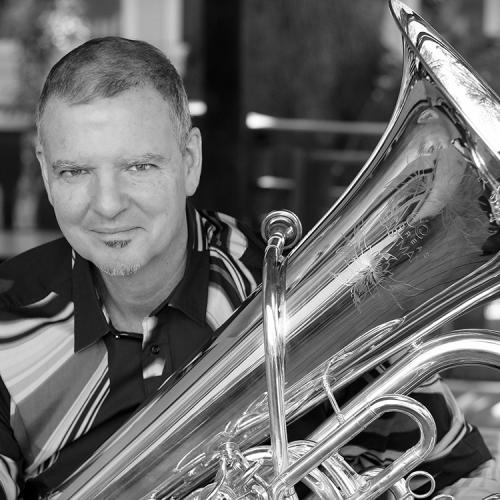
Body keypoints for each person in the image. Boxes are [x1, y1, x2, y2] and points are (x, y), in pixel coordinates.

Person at [0, 36, 493, 499]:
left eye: (139, 167)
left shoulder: (314, 299)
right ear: (45, 172)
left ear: (189, 161)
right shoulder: (8, 319)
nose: (107, 206)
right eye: (76, 171)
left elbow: (470, 479)